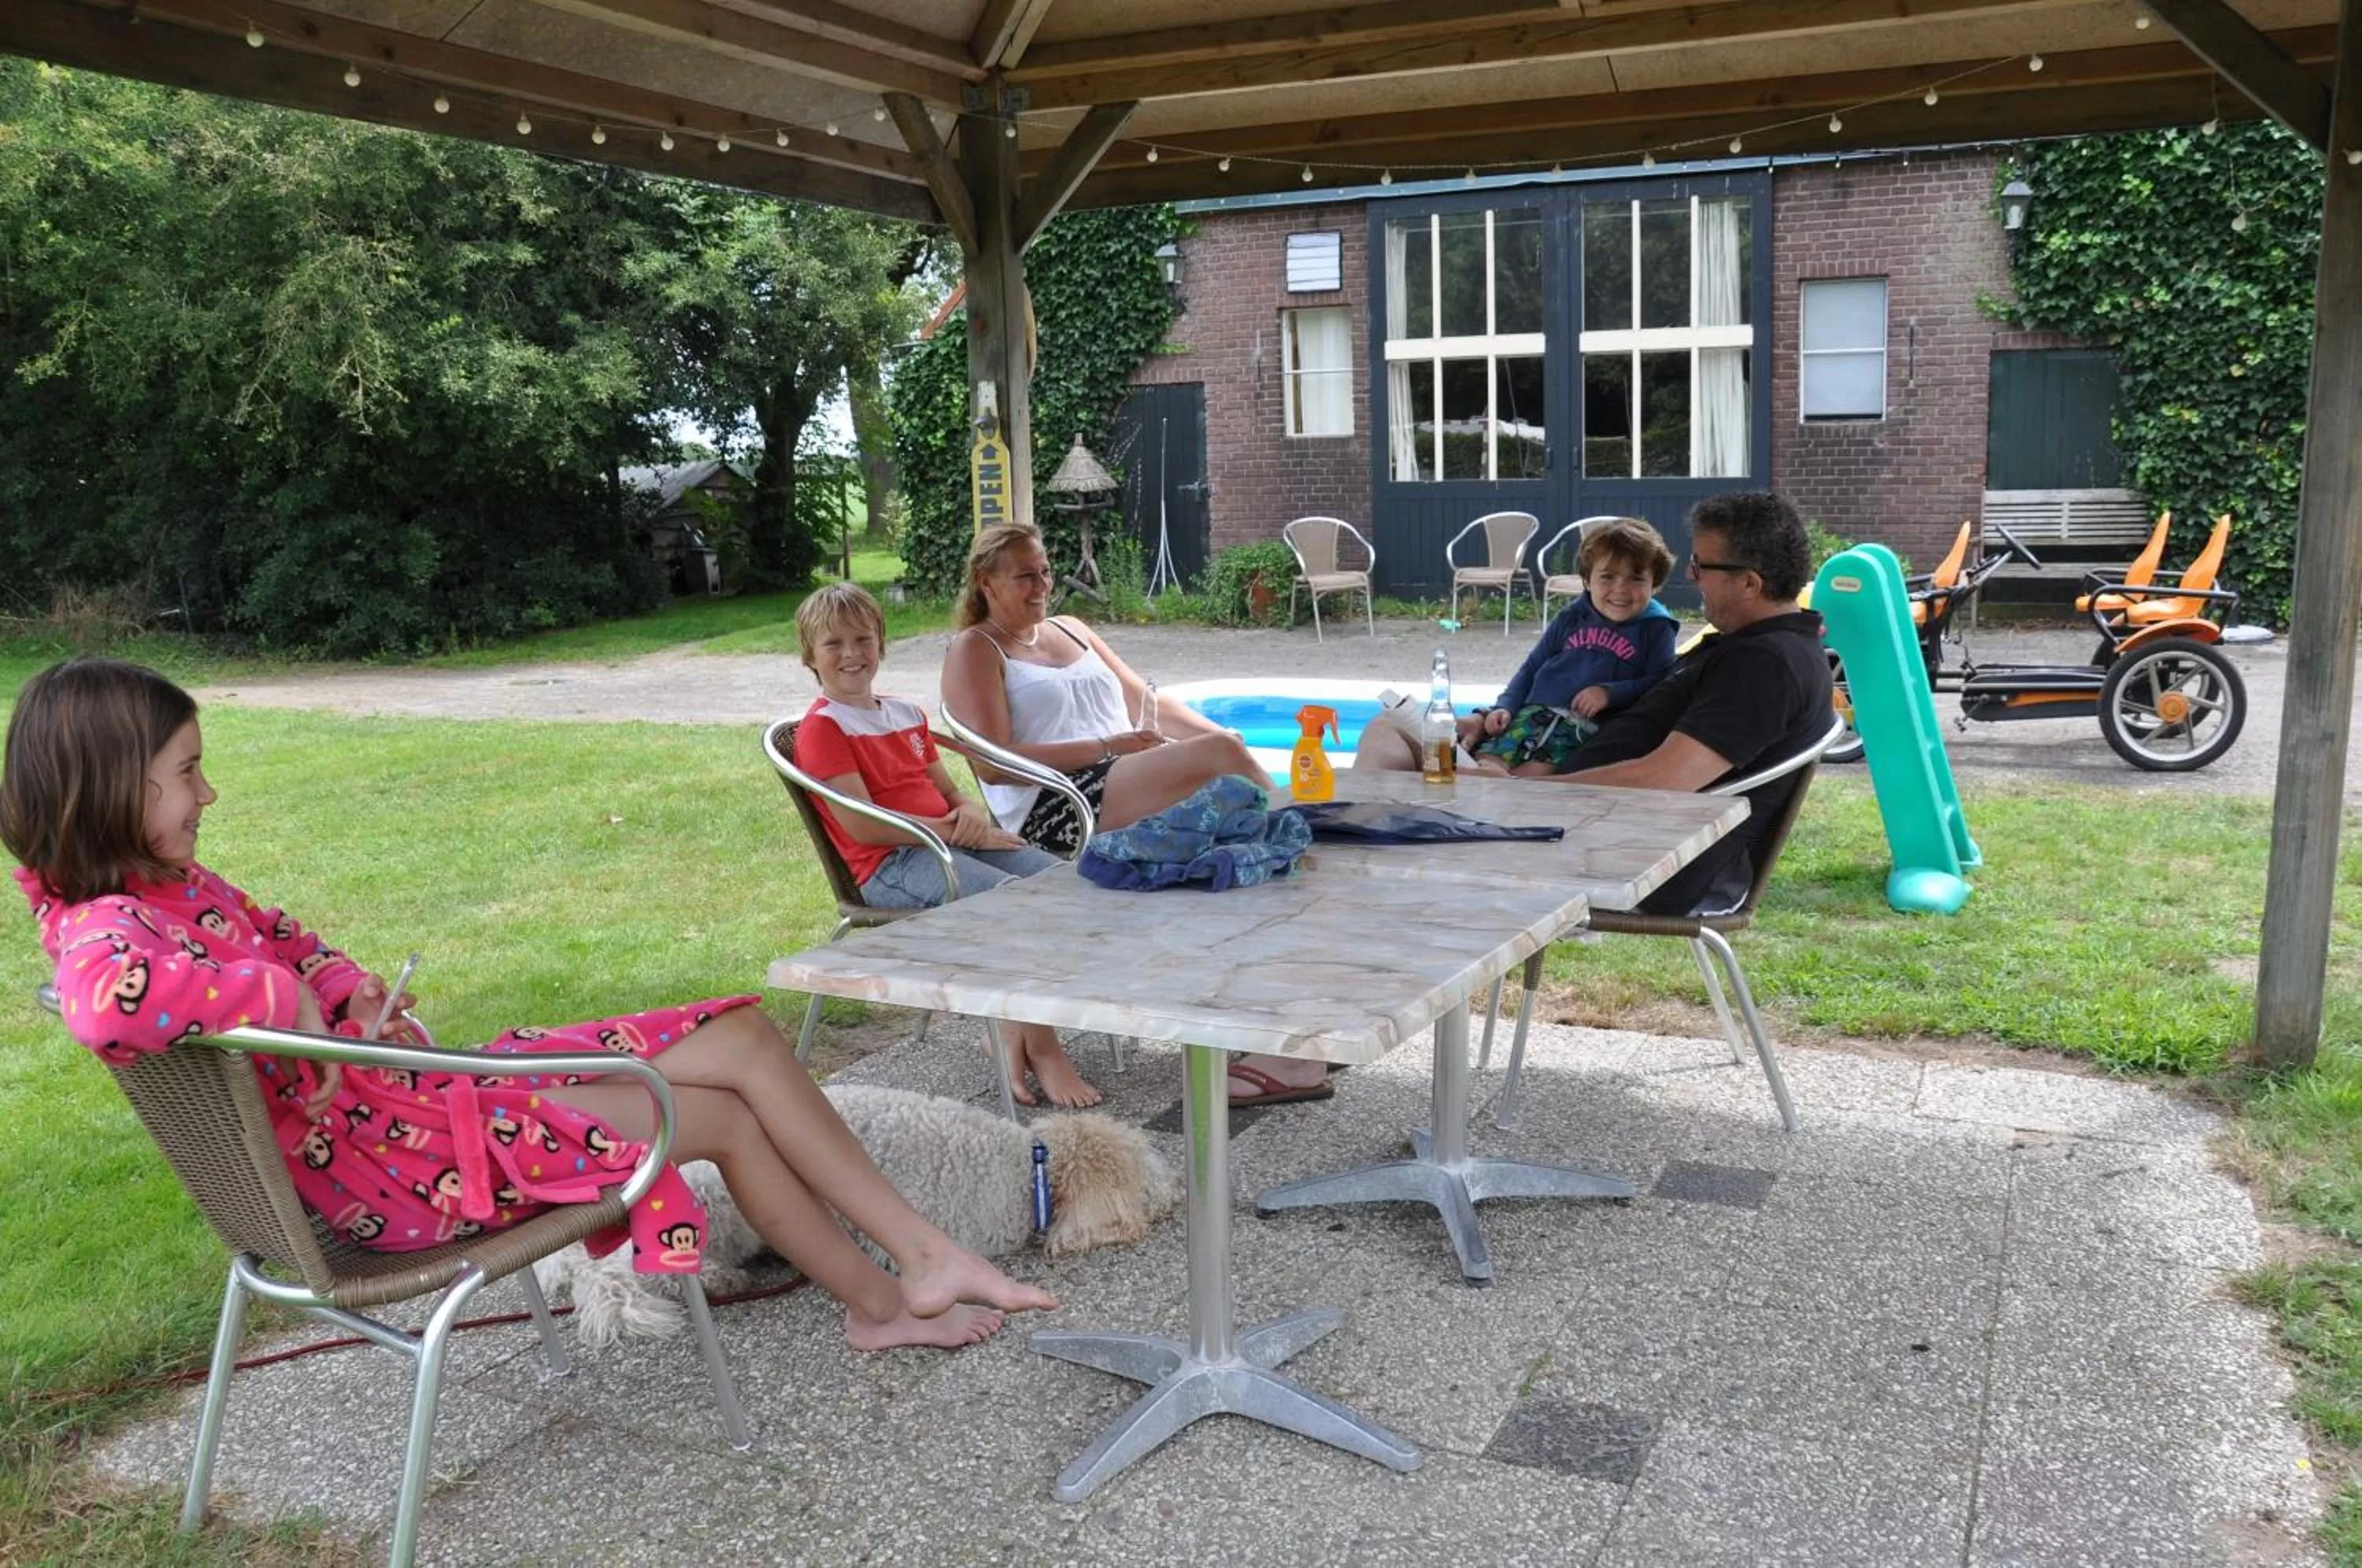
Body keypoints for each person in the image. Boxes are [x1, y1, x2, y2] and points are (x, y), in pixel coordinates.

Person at [3, 657, 1057, 1353]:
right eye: (187, 773)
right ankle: (888, 1297)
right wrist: (282, 998)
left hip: (421, 1113)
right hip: (414, 1169)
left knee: (735, 1035)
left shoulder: (173, 892)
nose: (208, 795)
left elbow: (290, 943)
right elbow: (103, 1003)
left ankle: (916, 1260)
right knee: (725, 1113)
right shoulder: (102, 930)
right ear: (105, 787)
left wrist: (338, 988)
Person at [939, 523, 1328, 1107]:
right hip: (1057, 807)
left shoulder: (1072, 629)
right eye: (1024, 575)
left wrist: (1216, 734)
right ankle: (1307, 843)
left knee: (1231, 819)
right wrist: (1110, 747)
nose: (1041, 584)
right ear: (985, 582)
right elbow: (993, 765)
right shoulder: (977, 647)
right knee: (1239, 795)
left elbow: (1145, 705)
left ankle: (1267, 1017)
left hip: (1119, 779)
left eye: (1045, 570)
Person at [1354, 491, 1833, 916]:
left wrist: (1534, 791)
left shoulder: (1765, 666)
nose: (1692, 578)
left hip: (1598, 841)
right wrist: (1485, 721)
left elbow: (1662, 779)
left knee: (1394, 749)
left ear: (1749, 583)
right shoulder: (1757, 646)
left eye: (1700, 568)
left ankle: (1371, 893)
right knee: (1393, 731)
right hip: (1577, 814)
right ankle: (1374, 885)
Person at [789, 583, 1098, 1109]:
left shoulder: (905, 715)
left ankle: (1007, 1030)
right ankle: (1044, 1051)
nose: (851, 655)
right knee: (1015, 908)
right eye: (833, 644)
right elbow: (864, 828)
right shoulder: (823, 729)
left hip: (952, 844)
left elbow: (951, 791)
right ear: (809, 657)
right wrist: (956, 831)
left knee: (1062, 887)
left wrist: (971, 814)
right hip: (894, 863)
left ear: (881, 645)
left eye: (863, 640)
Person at [1465, 517, 1679, 776]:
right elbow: (1532, 667)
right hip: (1533, 712)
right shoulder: (1571, 617)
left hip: (1583, 728)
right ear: (1588, 579)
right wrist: (1505, 706)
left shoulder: (1656, 627)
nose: (1620, 589)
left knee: (1537, 773)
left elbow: (1659, 683)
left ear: (1655, 584)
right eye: (1607, 577)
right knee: (1487, 758)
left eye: (1636, 579)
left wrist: (1610, 693)